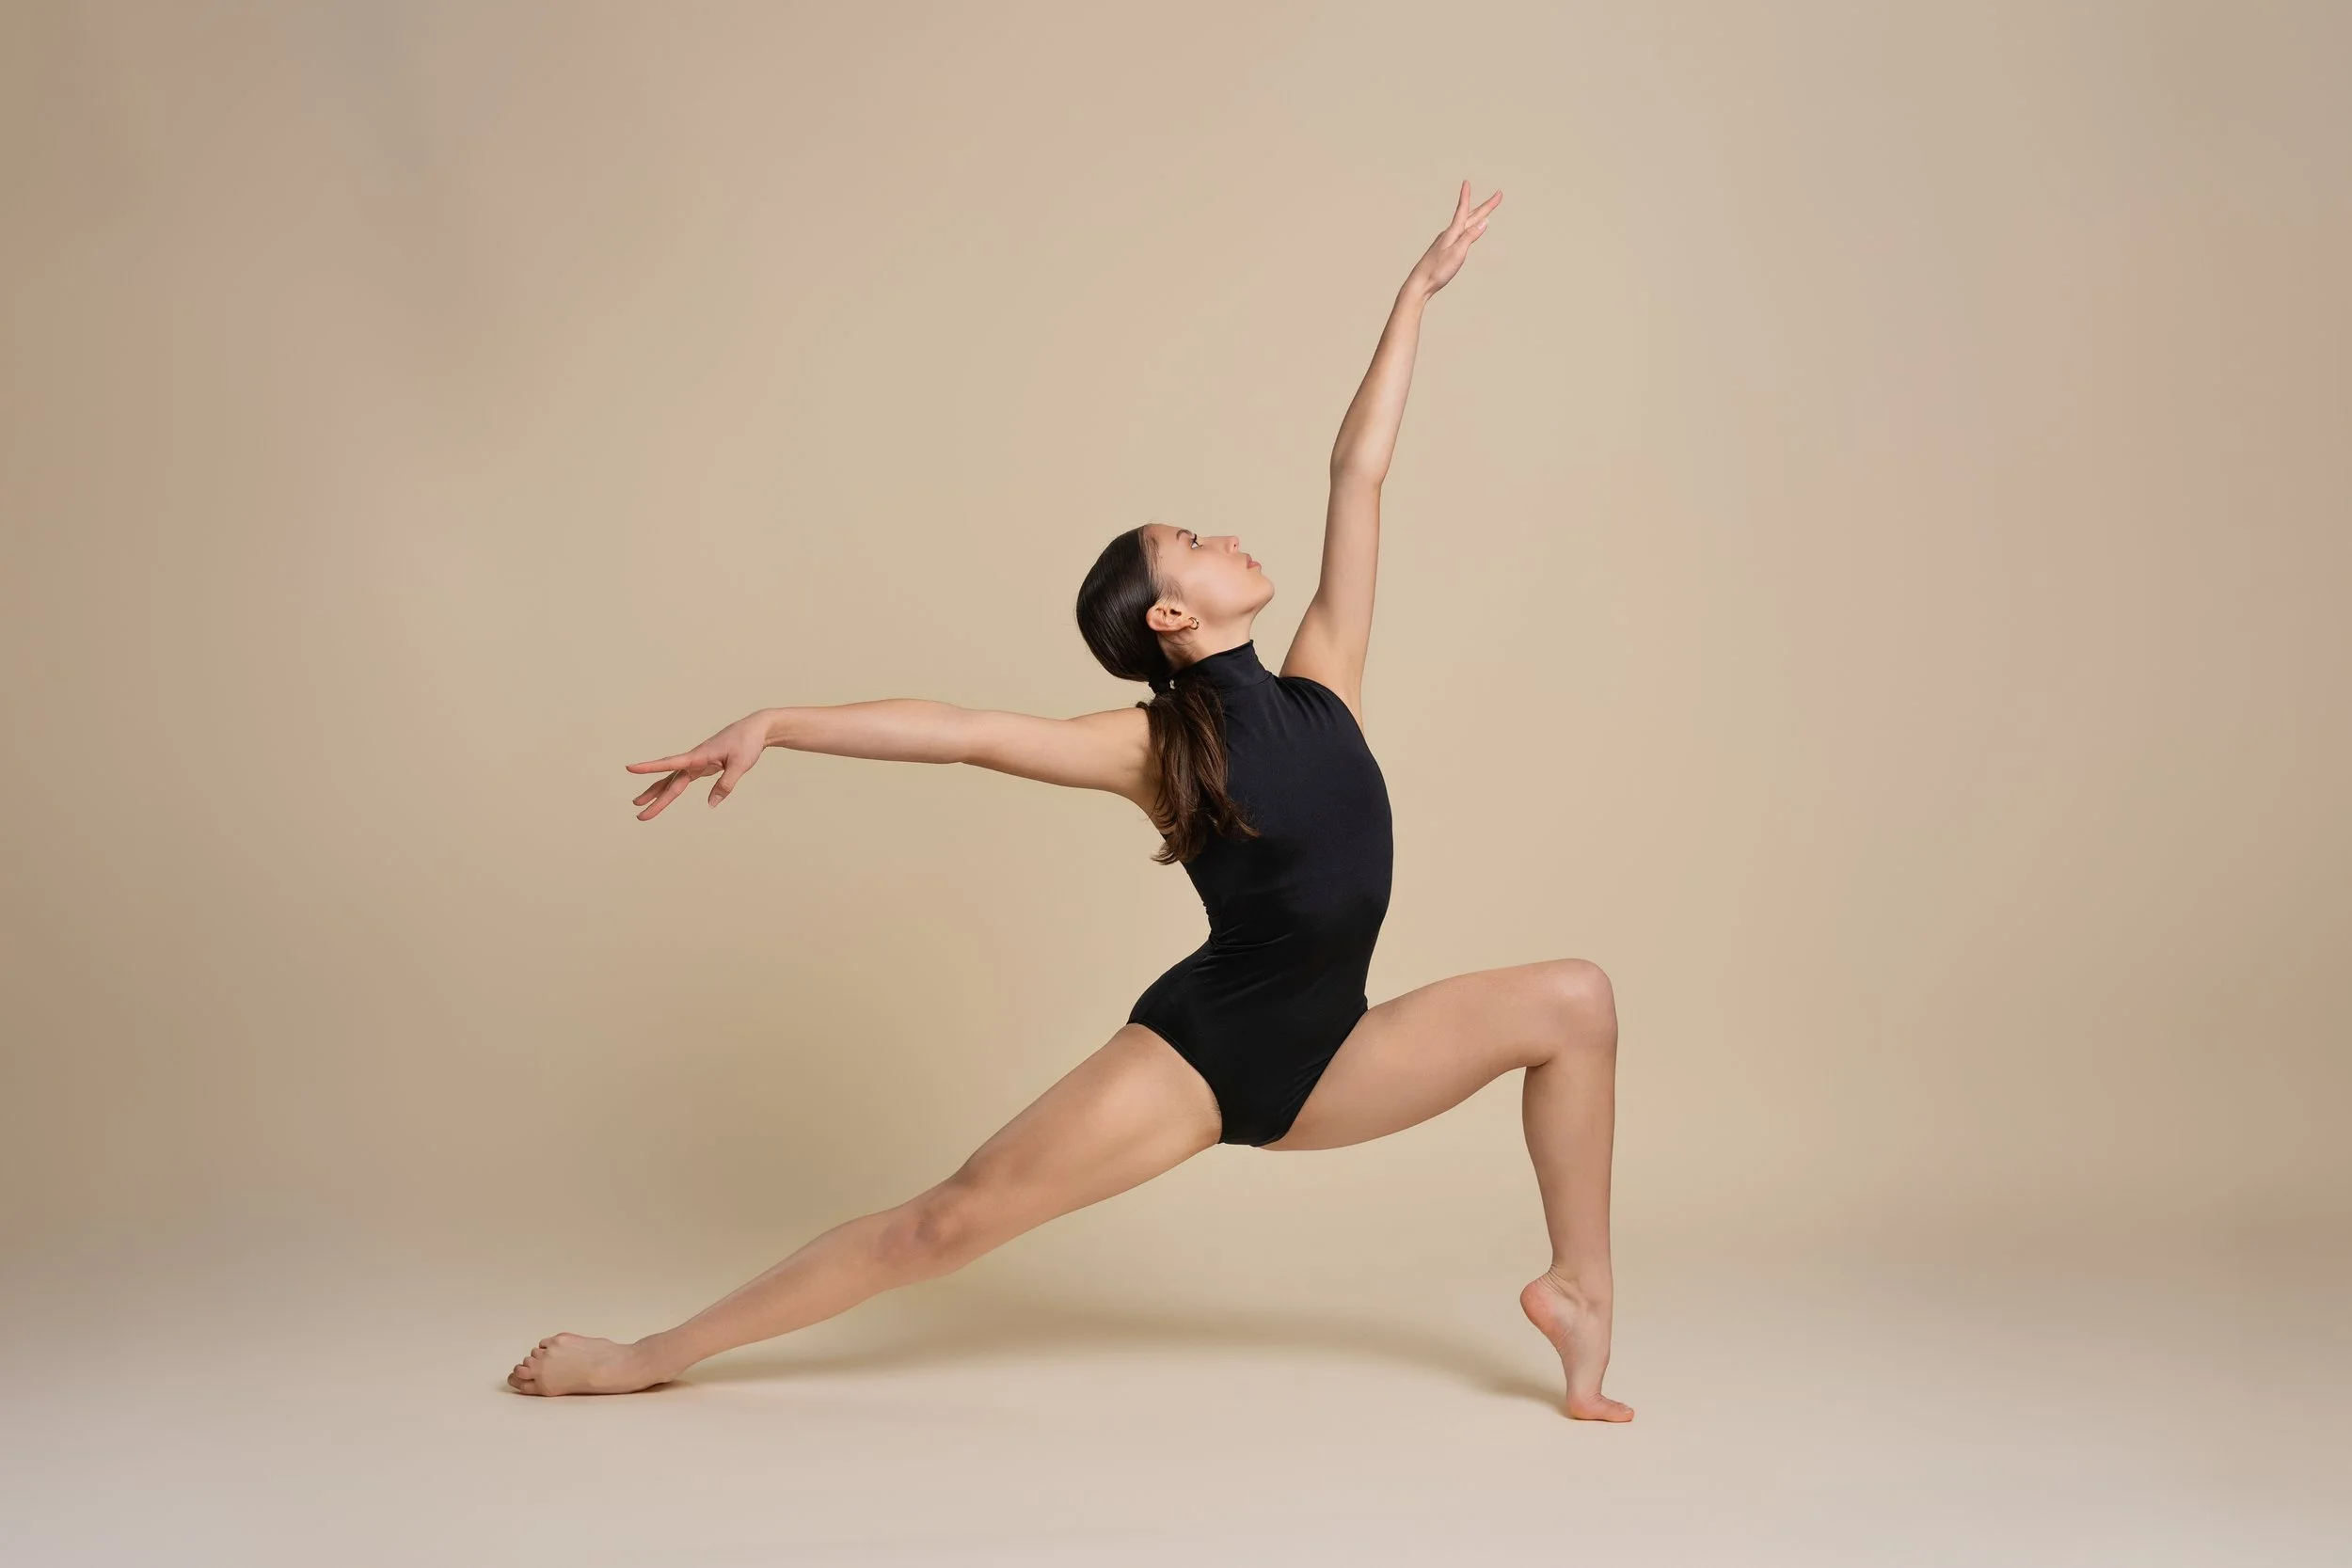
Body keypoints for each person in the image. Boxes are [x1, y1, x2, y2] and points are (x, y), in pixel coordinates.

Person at [509, 182, 1632, 1421]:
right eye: (1196, 542)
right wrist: (778, 723)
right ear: (1173, 614)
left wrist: (1414, 294)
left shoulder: (1326, 675)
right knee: (947, 1220)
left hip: (1337, 1051)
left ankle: (1582, 1291)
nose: (1229, 539)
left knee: (1577, 1000)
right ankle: (649, 1352)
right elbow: (962, 735)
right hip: (1202, 1055)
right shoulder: (1160, 746)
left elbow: (1357, 472)